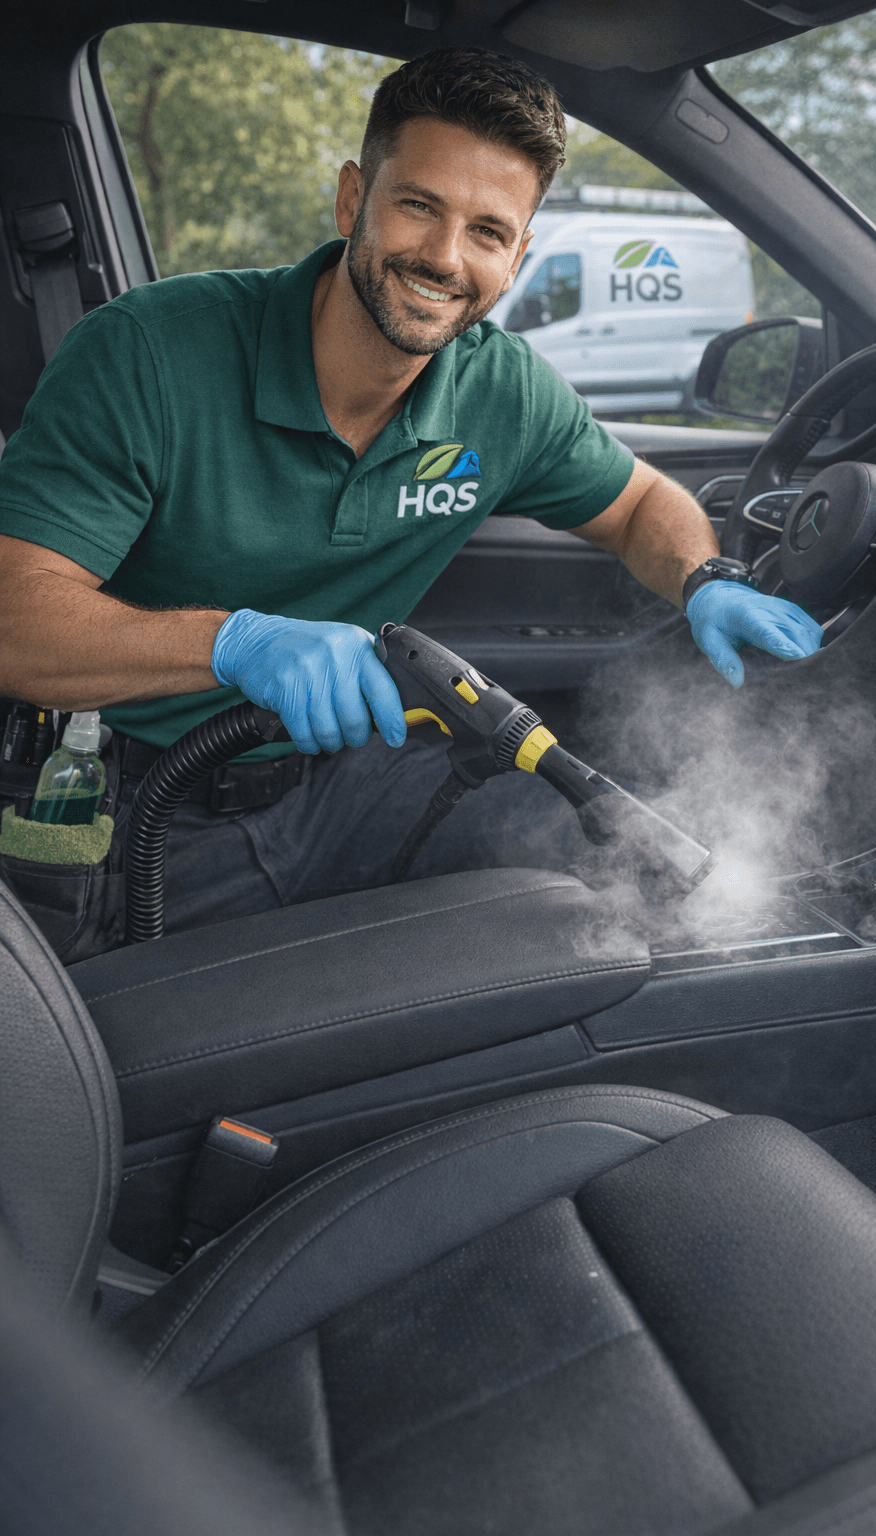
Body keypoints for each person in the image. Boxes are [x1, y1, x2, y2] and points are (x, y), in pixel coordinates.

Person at [0, 48, 821, 932]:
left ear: (517, 258)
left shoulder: (503, 391)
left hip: (351, 778)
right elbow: (13, 618)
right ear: (354, 198)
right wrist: (233, 643)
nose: (443, 257)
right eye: (418, 206)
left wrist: (704, 578)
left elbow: (640, 505)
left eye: (487, 232)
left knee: (619, 896)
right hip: (121, 803)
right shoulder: (147, 353)